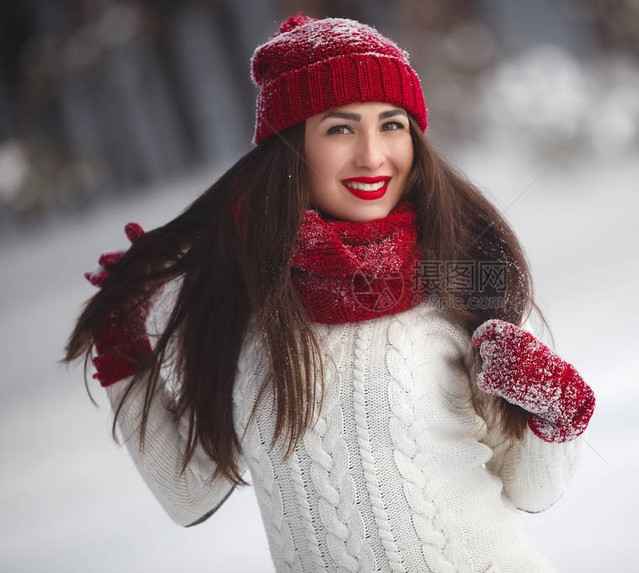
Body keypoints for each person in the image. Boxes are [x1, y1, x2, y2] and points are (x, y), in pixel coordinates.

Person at [65, 13, 595, 573]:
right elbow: (188, 493)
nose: (372, 154)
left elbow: (534, 490)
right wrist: (123, 351)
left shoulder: (466, 286)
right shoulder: (242, 307)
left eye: (392, 124)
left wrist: (554, 415)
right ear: (290, 149)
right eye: (340, 128)